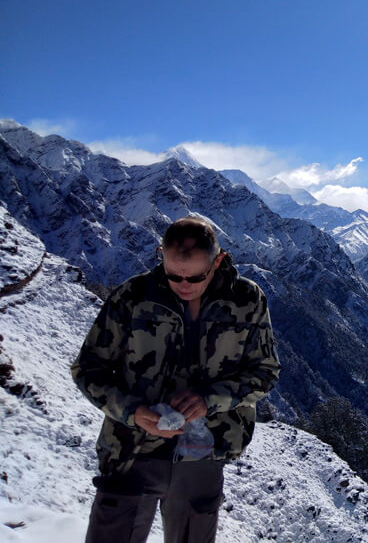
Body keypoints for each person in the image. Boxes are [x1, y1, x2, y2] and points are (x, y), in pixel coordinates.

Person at [72, 216, 281, 543]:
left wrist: (209, 401)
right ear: (160, 255)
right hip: (131, 450)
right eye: (173, 275)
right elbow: (88, 369)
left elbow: (265, 371)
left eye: (195, 276)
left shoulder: (247, 301)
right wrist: (132, 412)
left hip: (204, 454)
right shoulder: (132, 297)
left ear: (219, 261)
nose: (183, 285)